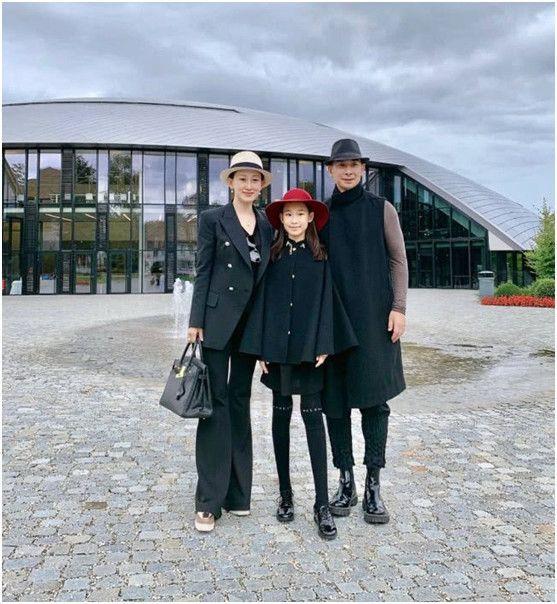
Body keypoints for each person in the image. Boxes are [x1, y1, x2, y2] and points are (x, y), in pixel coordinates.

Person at [240, 188, 357, 540]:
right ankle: (286, 495)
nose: (294, 220)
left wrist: (324, 343)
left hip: (309, 351)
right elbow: (261, 302)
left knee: (312, 419)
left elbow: (327, 303)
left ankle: (321, 504)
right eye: (288, 214)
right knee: (280, 417)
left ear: (310, 218)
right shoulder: (272, 256)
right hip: (277, 350)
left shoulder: (320, 257)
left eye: (300, 214)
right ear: (280, 219)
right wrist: (261, 349)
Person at [321, 138, 408, 524]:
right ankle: (346, 481)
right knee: (335, 404)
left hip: (375, 320)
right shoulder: (321, 214)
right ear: (331, 170)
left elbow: (398, 260)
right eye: (341, 165)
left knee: (375, 402)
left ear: (362, 168)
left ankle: (373, 483)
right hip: (333, 322)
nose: (348, 170)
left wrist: (399, 307)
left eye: (354, 164)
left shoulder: (382, 209)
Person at [187, 151, 274, 532]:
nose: (249, 185)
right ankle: (209, 500)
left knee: (240, 401)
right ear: (231, 182)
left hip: (250, 327)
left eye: (255, 180)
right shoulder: (213, 219)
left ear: (261, 185)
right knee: (215, 404)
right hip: (217, 322)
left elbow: (268, 281)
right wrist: (195, 321)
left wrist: (268, 335)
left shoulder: (268, 224)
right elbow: (203, 269)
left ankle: (239, 494)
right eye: (243, 179)